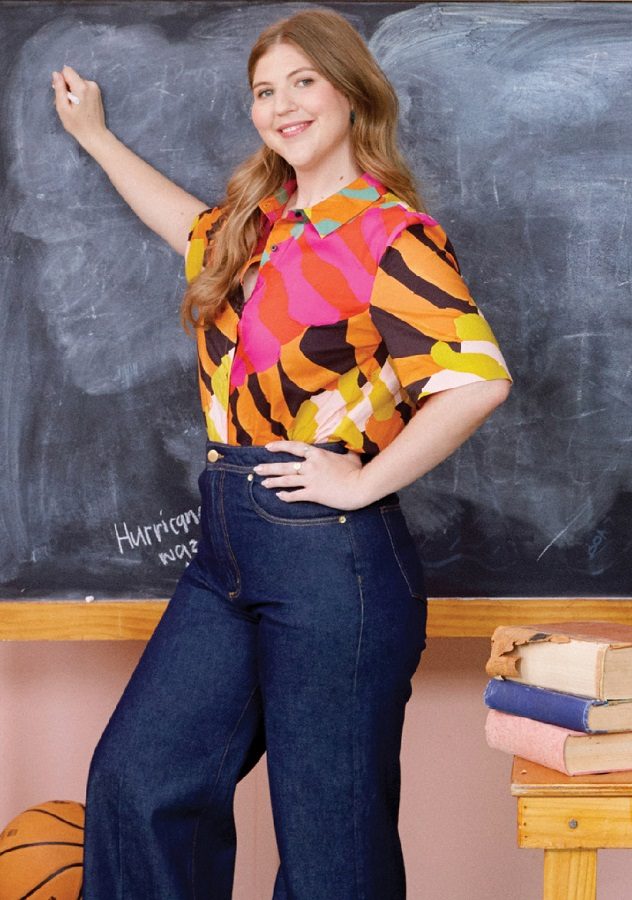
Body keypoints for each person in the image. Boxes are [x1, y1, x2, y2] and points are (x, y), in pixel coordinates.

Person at [52, 10, 510, 897]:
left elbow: (478, 378)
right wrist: (97, 139)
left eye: (303, 81)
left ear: (351, 92)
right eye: (265, 91)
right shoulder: (256, 228)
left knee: (331, 857)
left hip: (329, 559)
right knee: (137, 785)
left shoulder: (390, 234)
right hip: (226, 545)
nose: (282, 104)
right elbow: (182, 222)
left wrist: (363, 480)